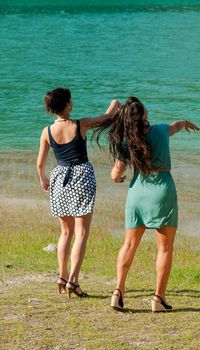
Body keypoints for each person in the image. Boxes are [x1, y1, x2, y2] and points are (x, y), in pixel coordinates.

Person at [93, 96, 199, 312]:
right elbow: (176, 125)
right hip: (162, 190)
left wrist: (120, 178)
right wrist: (186, 122)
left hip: (137, 192)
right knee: (165, 248)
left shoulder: (127, 140)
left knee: (129, 245)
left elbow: (115, 175)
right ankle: (158, 299)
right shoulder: (160, 131)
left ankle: (118, 291)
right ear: (143, 115)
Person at [36, 87, 120, 298]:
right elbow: (106, 118)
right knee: (81, 232)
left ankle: (62, 276)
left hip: (59, 177)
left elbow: (40, 163)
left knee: (65, 232)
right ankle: (73, 280)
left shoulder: (46, 131)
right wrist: (114, 104)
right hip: (81, 176)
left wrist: (44, 179)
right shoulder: (79, 124)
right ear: (67, 105)